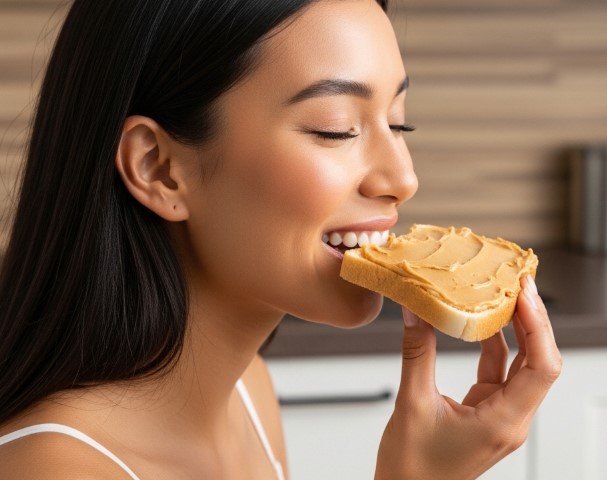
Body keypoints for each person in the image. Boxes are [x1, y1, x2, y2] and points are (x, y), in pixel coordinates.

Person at [0, 0, 562, 478]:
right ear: (159, 169)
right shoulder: (54, 468)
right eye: (335, 128)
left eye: (397, 122)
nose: (403, 179)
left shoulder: (247, 389)